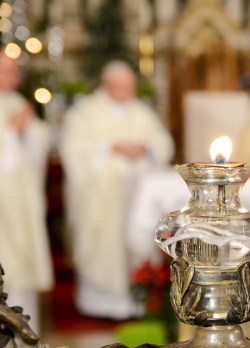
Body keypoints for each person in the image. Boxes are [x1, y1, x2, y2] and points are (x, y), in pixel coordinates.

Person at [59, 61, 174, 319]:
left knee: (136, 240)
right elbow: (73, 149)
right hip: (102, 195)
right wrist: (109, 148)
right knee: (104, 247)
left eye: (129, 87)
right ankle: (99, 302)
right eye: (120, 87)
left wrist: (146, 149)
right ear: (107, 85)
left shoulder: (141, 112)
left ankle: (136, 301)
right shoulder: (86, 111)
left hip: (136, 193)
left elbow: (162, 142)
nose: (126, 92)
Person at [0, 50, 52, 333]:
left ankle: (25, 327)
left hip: (22, 196)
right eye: (5, 71)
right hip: (3, 199)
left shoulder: (17, 101)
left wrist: (27, 132)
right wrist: (10, 132)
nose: (12, 77)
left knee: (22, 259)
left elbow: (39, 142)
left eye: (14, 71)